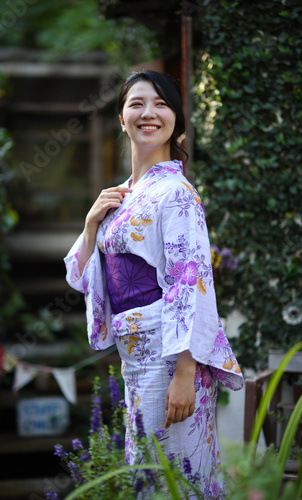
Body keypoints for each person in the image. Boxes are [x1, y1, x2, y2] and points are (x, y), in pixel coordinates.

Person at [64, 70, 243, 499]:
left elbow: (189, 281)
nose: (149, 113)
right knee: (148, 477)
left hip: (170, 358)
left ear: (177, 121)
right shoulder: (124, 193)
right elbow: (79, 275)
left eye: (161, 104)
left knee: (175, 479)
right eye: (137, 104)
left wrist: (185, 371)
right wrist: (91, 225)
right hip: (138, 357)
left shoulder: (176, 193)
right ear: (121, 119)